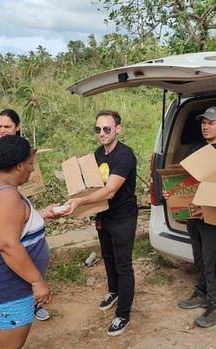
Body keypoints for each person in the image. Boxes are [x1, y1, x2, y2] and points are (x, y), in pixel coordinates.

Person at [0, 135, 67, 348]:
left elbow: (7, 224)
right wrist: (37, 281)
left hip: (0, 283)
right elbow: (7, 245)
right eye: (31, 163)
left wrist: (41, 214)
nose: (32, 168)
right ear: (20, 165)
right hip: (5, 287)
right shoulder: (7, 196)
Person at [165, 106, 216, 328]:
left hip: (213, 214)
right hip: (192, 211)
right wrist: (171, 191)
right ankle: (202, 291)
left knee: (210, 259)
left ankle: (215, 305)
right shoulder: (195, 147)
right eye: (203, 123)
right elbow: (182, 178)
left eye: (211, 122)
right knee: (198, 257)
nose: (205, 126)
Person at [66, 110, 138, 336]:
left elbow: (109, 190)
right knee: (107, 257)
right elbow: (94, 185)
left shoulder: (125, 155)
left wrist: (78, 201)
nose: (102, 133)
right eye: (98, 129)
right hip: (104, 216)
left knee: (123, 264)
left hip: (123, 217)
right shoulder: (98, 154)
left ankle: (123, 314)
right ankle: (113, 291)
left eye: (107, 129)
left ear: (118, 128)